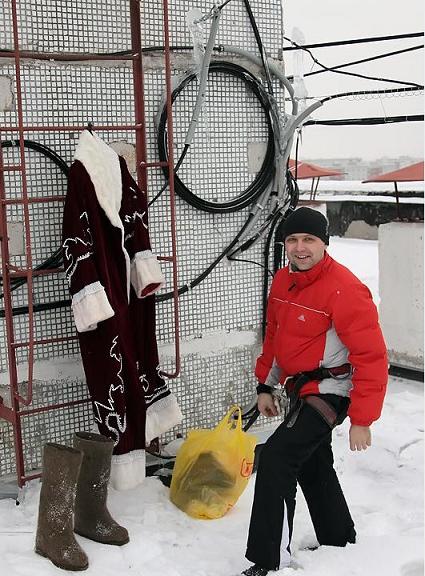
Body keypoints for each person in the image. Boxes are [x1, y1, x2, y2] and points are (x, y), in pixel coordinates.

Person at [241, 207, 388, 576]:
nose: (300, 248)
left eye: (309, 240)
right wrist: (266, 385)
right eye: (292, 240)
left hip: (332, 391)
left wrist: (362, 418)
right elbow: (274, 337)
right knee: (311, 460)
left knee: (276, 457)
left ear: (325, 243)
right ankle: (339, 536)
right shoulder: (282, 281)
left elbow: (371, 356)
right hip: (300, 388)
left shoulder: (346, 289)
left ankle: (267, 560)